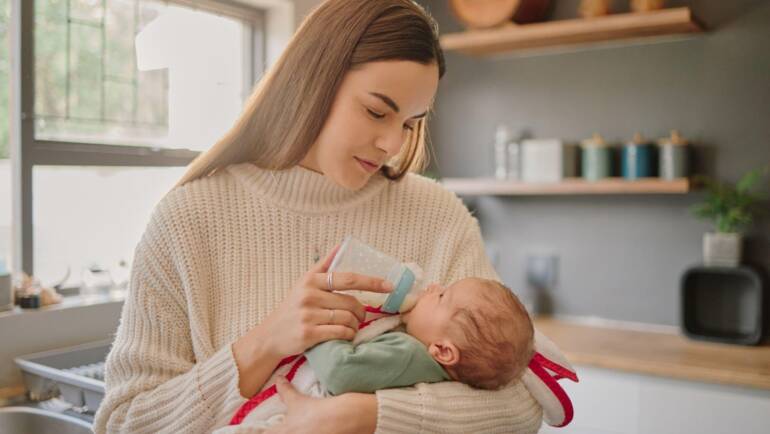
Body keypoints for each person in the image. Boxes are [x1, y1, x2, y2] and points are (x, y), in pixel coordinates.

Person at [93, 0, 545, 432]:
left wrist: (361, 417)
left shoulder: (437, 216)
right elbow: (123, 422)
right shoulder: (187, 219)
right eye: (376, 111)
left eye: (409, 123)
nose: (392, 144)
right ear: (315, 80)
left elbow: (521, 402)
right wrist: (265, 343)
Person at [222, 277, 535, 431]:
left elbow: (342, 372)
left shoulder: (408, 354)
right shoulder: (425, 360)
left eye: (441, 296)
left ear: (442, 350)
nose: (432, 287)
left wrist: (317, 329)